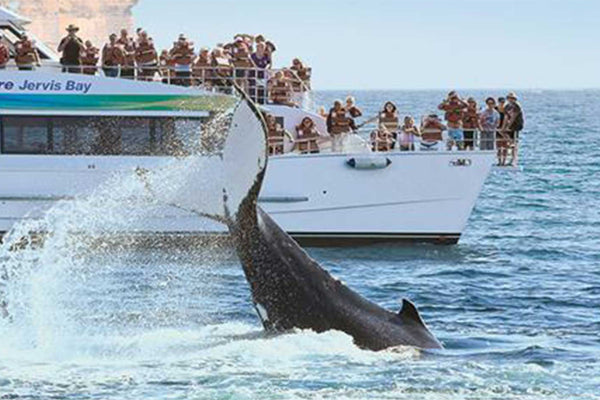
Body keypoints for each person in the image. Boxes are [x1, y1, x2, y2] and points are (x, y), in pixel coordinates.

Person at [503, 92, 524, 166]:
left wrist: (508, 126)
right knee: (502, 132)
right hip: (510, 124)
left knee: (515, 141)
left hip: (516, 124)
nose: (511, 100)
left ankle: (513, 159)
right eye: (509, 98)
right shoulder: (507, 106)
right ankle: (510, 142)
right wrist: (504, 126)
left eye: (512, 98)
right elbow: (506, 117)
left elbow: (513, 117)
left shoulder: (517, 106)